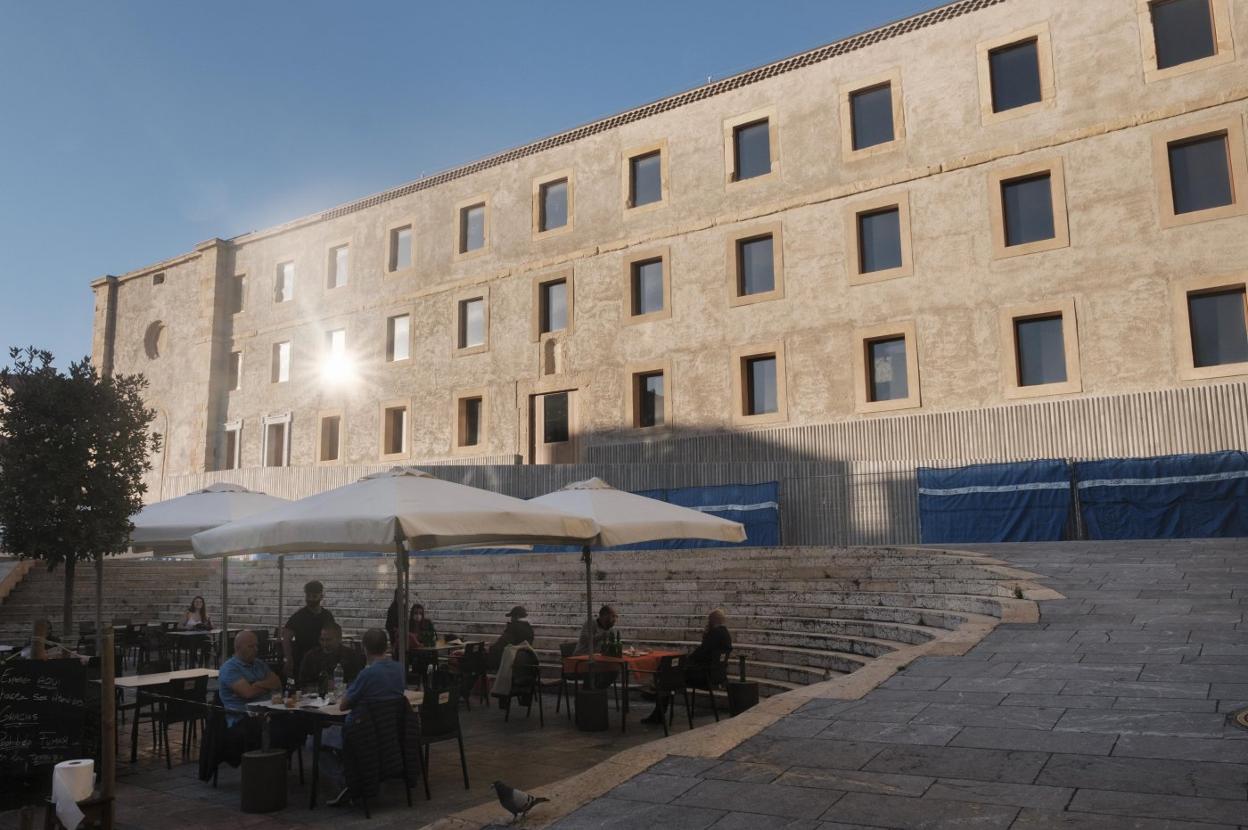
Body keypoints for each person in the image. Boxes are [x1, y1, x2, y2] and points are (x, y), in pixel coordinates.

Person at [319, 628, 405, 807]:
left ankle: (346, 782)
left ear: (364, 648)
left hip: (363, 734)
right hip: (390, 733)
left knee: (314, 740)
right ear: (386, 646)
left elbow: (344, 705)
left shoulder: (367, 674)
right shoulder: (399, 669)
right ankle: (355, 776)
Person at [641, 609, 732, 726]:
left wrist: (685, 660)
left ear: (712, 620)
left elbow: (700, 654)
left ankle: (656, 703)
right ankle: (656, 694)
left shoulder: (714, 634)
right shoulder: (725, 634)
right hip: (716, 675)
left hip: (704, 676)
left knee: (669, 674)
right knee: (672, 672)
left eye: (709, 620)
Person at [219, 630, 282, 728]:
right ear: (238, 647)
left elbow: (277, 682)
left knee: (296, 719)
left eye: (256, 646)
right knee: (282, 727)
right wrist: (268, 686)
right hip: (244, 719)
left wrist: (257, 685)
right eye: (251, 646)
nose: (256, 649)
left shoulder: (259, 663)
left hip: (268, 713)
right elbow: (248, 693)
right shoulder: (229, 668)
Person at [283, 580, 335, 679]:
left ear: (321, 596)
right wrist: (288, 658)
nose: (310, 599)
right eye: (308, 596)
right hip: (302, 660)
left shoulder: (327, 615)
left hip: (323, 659)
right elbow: (286, 637)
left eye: (314, 596)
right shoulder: (298, 616)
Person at [298, 621, 365, 689]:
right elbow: (302, 683)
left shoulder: (351, 655)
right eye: (322, 640)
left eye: (328, 640)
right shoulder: (311, 656)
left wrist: (339, 685)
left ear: (339, 639)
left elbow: (357, 682)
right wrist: (322, 685)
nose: (325, 644)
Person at [488, 606, 535, 671]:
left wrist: (491, 648)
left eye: (512, 617)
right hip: (524, 655)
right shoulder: (529, 628)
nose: (511, 619)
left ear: (517, 616)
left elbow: (503, 642)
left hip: (513, 656)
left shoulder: (513, 627)